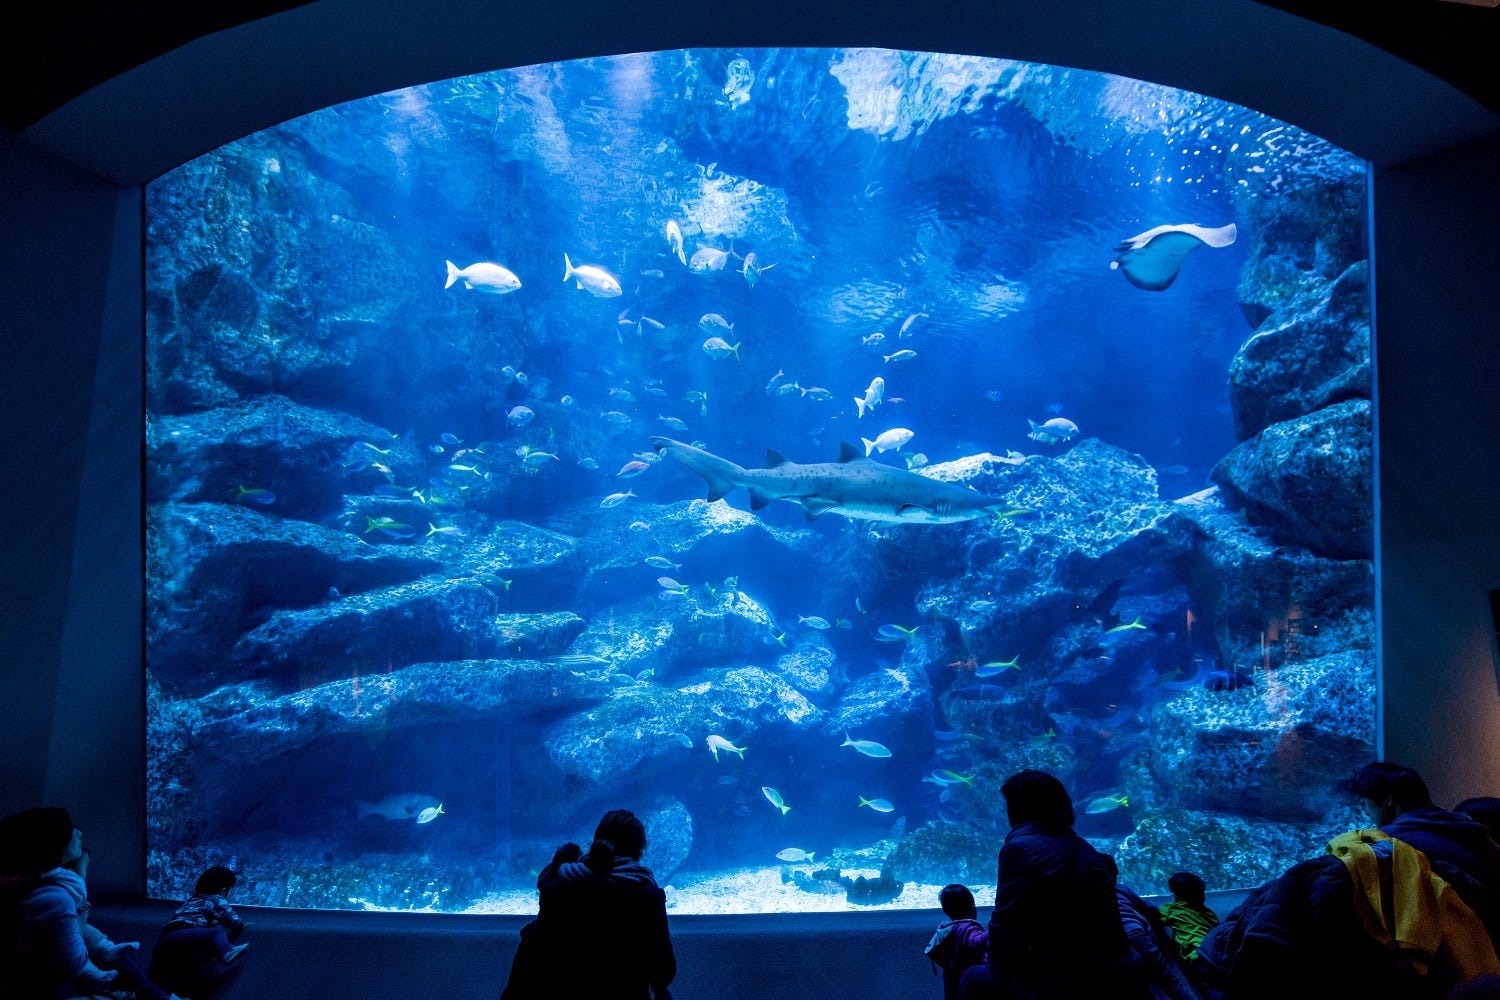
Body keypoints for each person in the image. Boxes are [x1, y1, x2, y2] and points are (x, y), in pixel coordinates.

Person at [959, 769, 1144, 999]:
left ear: (1020, 809)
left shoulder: (1019, 850)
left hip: (1063, 977)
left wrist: (994, 958)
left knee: (971, 977)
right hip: (1112, 969)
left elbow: (1006, 922)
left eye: (1010, 806)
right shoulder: (1088, 850)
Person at [0, 807, 186, 1000]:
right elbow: (72, 965)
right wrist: (81, 915)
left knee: (112, 955)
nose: (79, 832)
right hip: (43, 989)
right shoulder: (53, 898)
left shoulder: (23, 883)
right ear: (53, 846)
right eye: (71, 830)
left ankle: (154, 994)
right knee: (121, 985)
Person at [501, 808, 675, 1000]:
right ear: (639, 851)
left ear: (597, 842)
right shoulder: (647, 896)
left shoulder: (557, 888)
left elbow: (532, 954)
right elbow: (664, 972)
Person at [1345, 762, 1500, 937]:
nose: (1368, 814)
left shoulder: (1393, 841)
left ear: (1387, 799)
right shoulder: (1466, 827)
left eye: (1366, 805)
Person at [147, 866, 248, 996]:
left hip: (165, 939)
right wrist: (239, 925)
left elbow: (178, 917)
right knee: (216, 930)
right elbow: (232, 919)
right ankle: (227, 951)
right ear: (224, 891)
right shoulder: (217, 899)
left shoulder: (190, 901)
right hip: (187, 932)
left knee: (164, 979)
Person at [924, 883, 988, 1000]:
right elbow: (977, 943)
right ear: (973, 909)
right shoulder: (968, 928)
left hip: (951, 977)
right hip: (967, 980)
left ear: (945, 910)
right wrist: (991, 932)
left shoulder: (947, 930)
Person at [1159, 872, 1219, 964]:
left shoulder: (1170, 909)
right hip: (1212, 951)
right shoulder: (1209, 913)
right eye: (1201, 892)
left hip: (1196, 955)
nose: (1204, 896)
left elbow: (1154, 917)